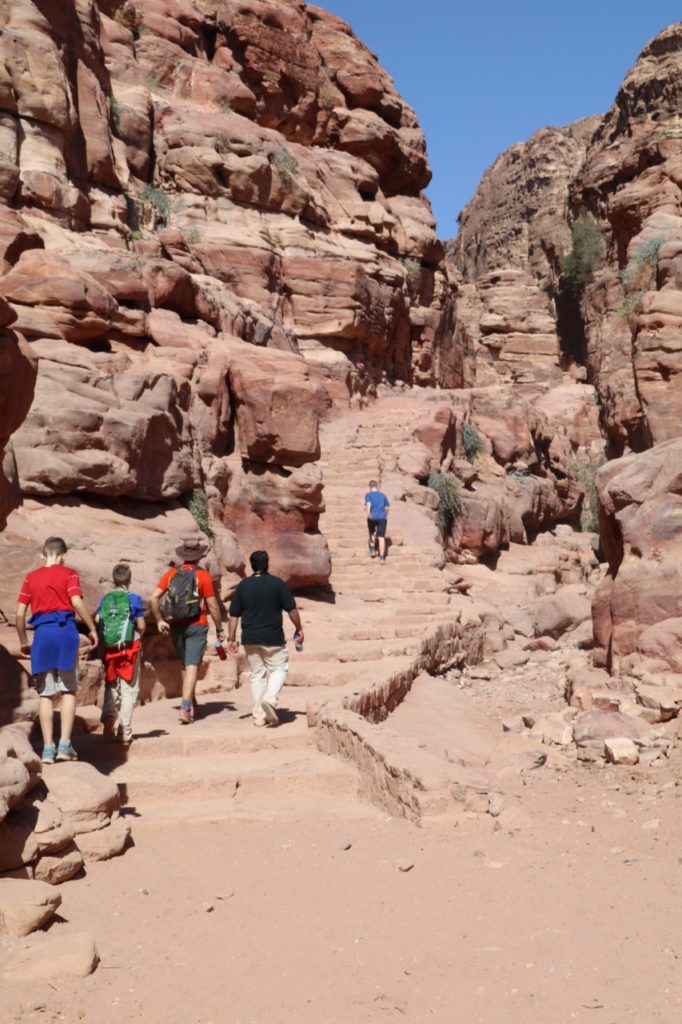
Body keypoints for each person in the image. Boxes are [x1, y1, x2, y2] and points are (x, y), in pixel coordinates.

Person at [15, 536, 98, 764]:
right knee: (69, 690)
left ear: (42, 555)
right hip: (65, 633)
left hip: (42, 636)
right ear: (64, 555)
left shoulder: (30, 578)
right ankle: (64, 745)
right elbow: (77, 602)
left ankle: (48, 749)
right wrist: (92, 628)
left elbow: (20, 614)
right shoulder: (69, 574)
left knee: (46, 694)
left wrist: (23, 639)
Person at [150, 538, 224, 725]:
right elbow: (212, 605)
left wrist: (159, 619)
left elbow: (154, 598)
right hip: (196, 624)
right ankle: (185, 707)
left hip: (176, 624)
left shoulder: (172, 573)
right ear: (199, 556)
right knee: (192, 665)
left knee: (184, 664)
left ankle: (191, 701)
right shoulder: (203, 576)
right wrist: (219, 627)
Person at [227, 550, 303, 728]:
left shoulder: (243, 585)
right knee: (279, 669)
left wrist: (231, 638)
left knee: (256, 675)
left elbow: (233, 614)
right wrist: (299, 628)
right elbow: (291, 609)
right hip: (273, 638)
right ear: (267, 564)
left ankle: (259, 716)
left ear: (252, 566)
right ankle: (270, 699)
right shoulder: (277, 584)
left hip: (250, 638)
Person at [96, 563, 146, 747]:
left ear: (113, 579)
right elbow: (140, 624)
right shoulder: (134, 599)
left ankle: (109, 718)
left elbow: (98, 619)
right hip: (129, 650)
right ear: (130, 580)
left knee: (111, 685)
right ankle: (125, 731)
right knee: (128, 690)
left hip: (110, 649)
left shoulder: (106, 599)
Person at [365, 480, 390, 564]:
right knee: (381, 537)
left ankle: (372, 550)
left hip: (372, 517)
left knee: (371, 532)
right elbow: (387, 508)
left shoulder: (368, 495)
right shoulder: (383, 495)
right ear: (377, 486)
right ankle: (382, 558)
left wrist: (368, 513)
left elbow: (369, 504)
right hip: (382, 518)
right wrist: (384, 515)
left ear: (370, 487)